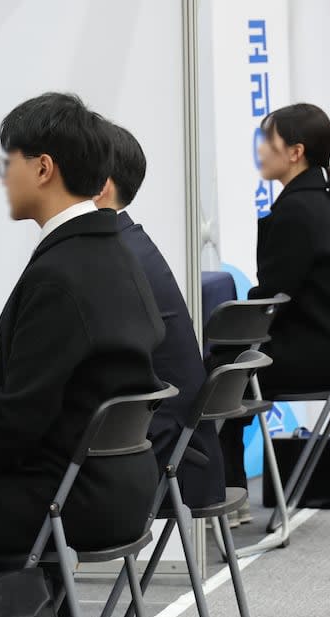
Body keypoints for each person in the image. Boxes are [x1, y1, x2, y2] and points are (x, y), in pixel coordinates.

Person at [0, 93, 165, 569]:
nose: (4, 178)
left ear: (43, 168)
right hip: (121, 485)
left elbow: (18, 419)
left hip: (72, 498)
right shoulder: (117, 253)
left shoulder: (61, 273)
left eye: (9, 163)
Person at [210, 103, 330, 492]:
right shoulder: (314, 202)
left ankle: (222, 486)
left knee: (220, 368)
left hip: (322, 357)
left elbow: (271, 299)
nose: (261, 149)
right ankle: (227, 481)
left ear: (295, 152)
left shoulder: (297, 210)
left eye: (269, 140)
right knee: (229, 362)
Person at [93, 121, 226, 512]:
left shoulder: (111, 258)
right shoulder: (129, 243)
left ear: (100, 184)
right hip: (181, 450)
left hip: (158, 455)